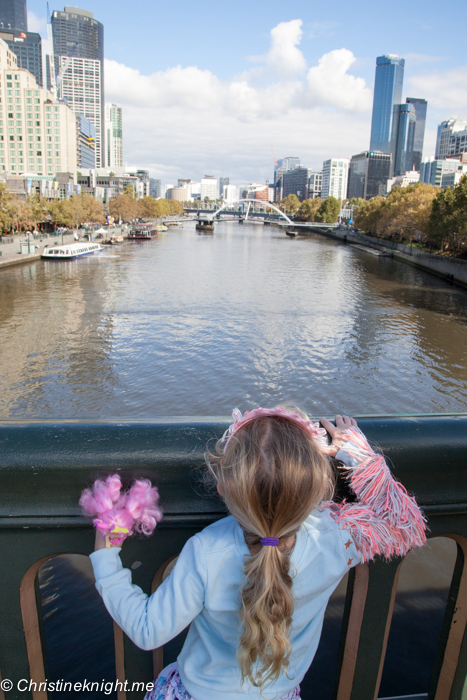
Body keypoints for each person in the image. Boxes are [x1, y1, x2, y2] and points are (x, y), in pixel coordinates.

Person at [89, 408, 426, 700]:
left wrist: (105, 557)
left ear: (222, 488)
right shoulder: (336, 538)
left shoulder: (207, 551)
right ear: (320, 486)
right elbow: (402, 522)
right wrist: (354, 452)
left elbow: (149, 631)